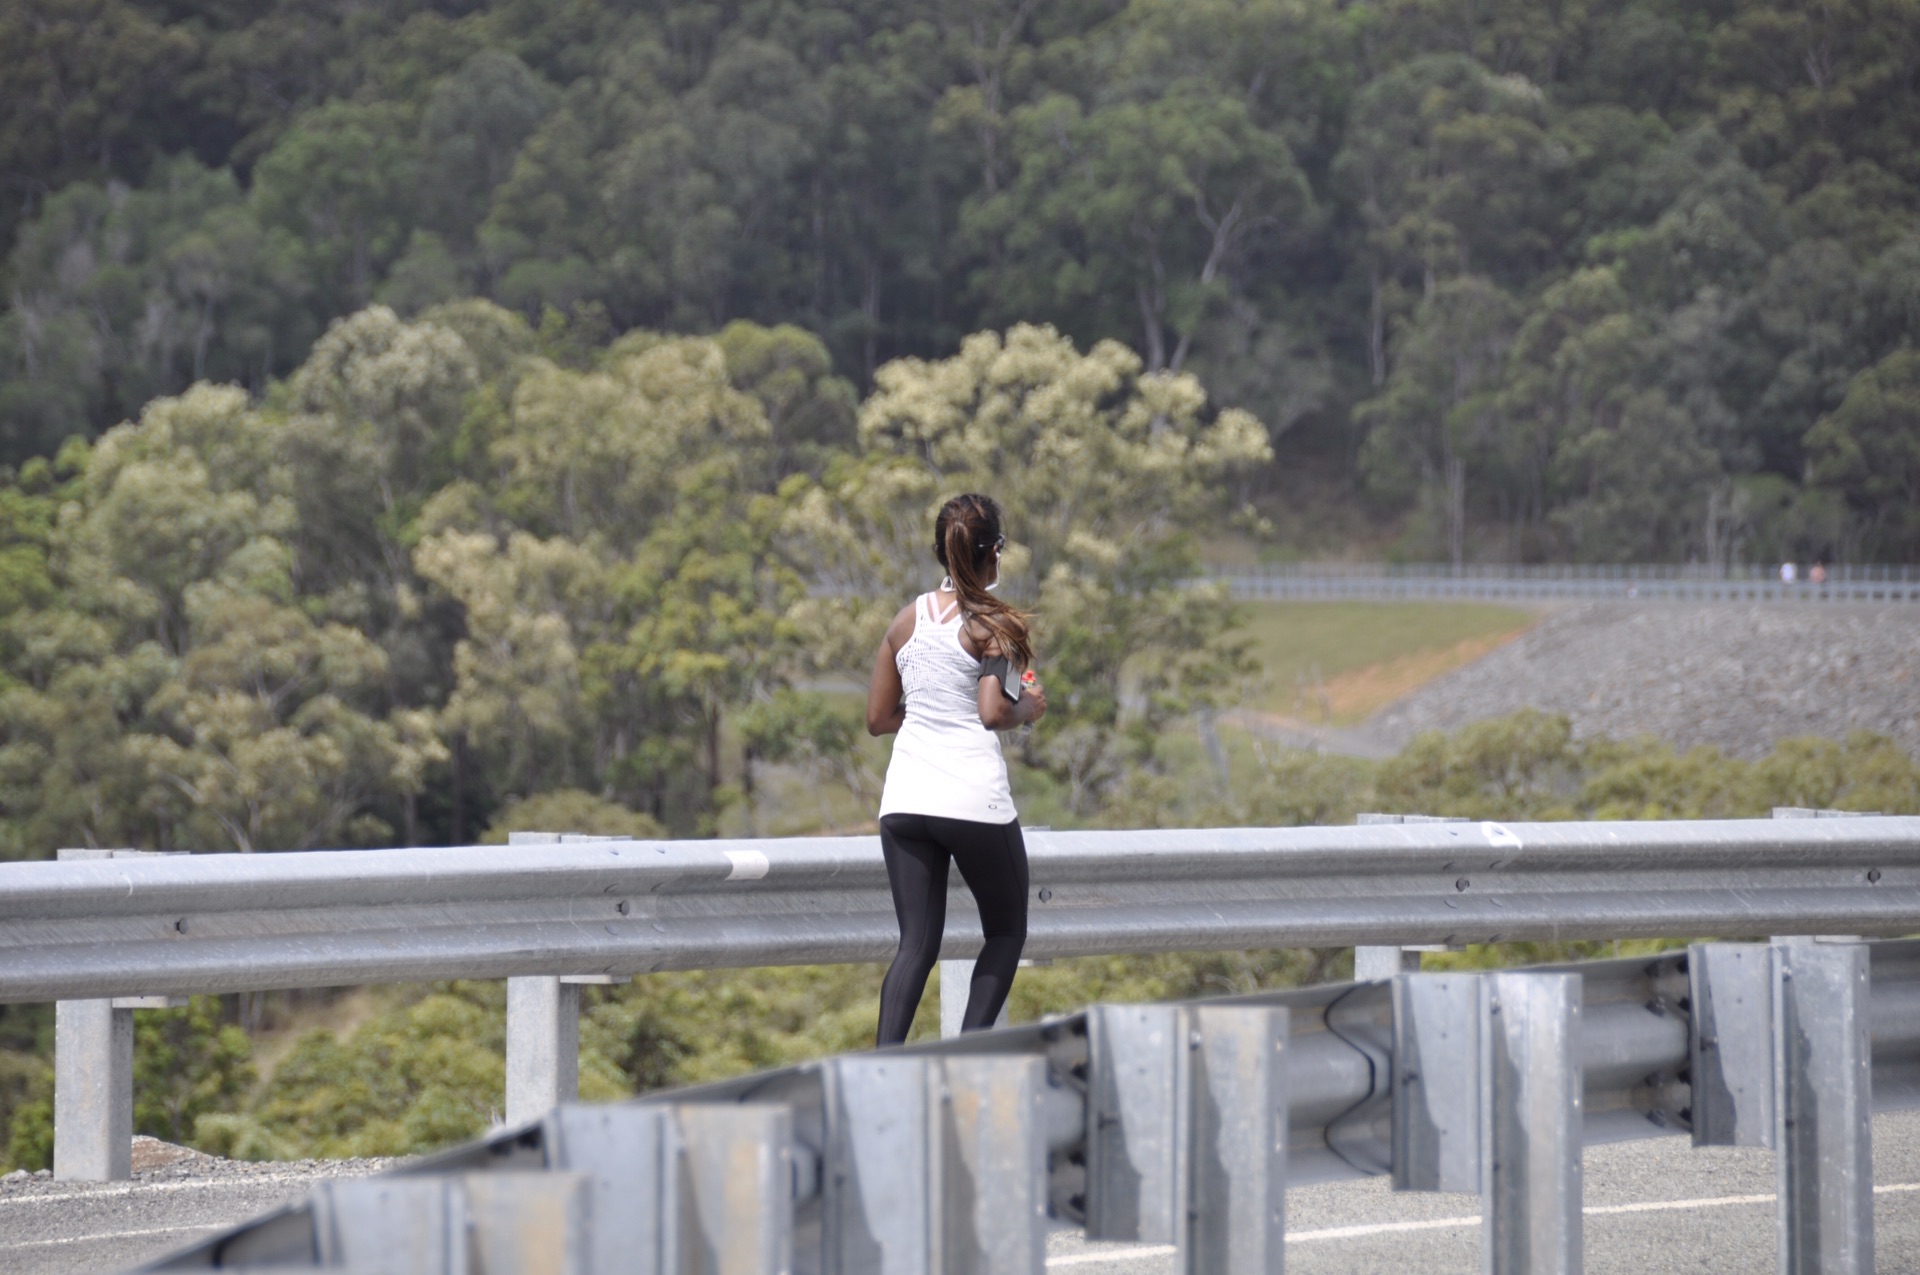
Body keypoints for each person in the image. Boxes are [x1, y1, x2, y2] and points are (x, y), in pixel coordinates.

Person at [865, 493, 1047, 1045]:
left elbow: (877, 719)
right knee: (1007, 931)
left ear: (943, 553)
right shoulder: (995, 624)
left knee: (916, 945)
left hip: (904, 801)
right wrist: (1028, 710)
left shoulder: (904, 622)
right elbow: (992, 711)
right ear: (994, 553)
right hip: (969, 797)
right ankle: (967, 1056)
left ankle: (881, 1067)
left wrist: (930, 709)